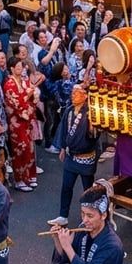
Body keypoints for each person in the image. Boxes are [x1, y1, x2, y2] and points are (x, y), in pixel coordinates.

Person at [49, 86, 98, 227]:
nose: (73, 96)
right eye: (72, 93)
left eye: (76, 93)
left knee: (88, 190)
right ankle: (63, 216)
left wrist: (91, 128)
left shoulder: (90, 112)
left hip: (86, 157)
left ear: (84, 96)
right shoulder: (69, 110)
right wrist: (63, 147)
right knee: (66, 187)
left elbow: (94, 135)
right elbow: (64, 130)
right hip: (71, 156)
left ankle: (90, 217)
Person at [3, 56, 40, 191]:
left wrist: (31, 96)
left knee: (29, 147)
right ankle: (20, 179)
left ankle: (30, 176)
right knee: (20, 149)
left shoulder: (24, 81)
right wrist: (28, 96)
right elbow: (16, 103)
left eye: (21, 66)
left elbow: (32, 95)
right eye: (17, 67)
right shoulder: (9, 84)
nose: (20, 69)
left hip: (27, 120)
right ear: (12, 69)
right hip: (16, 121)